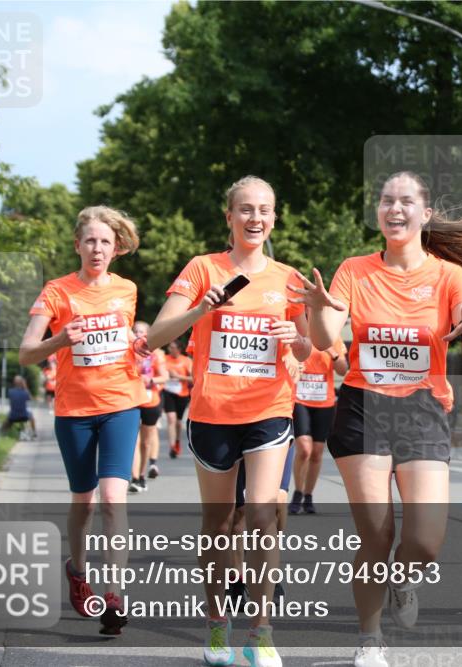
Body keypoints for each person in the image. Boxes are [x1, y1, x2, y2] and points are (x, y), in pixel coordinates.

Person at [295, 171, 462, 667]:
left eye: (405, 201)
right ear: (378, 211)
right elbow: (329, 338)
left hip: (422, 408)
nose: (395, 209)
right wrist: (320, 310)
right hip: (363, 406)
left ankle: (403, 576)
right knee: (375, 534)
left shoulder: (449, 276)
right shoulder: (353, 270)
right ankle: (370, 640)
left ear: (425, 213)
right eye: (387, 201)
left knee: (424, 539)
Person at [147, 175, 311, 667]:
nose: (254, 218)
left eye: (264, 209)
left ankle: (260, 632)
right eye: (245, 209)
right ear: (229, 217)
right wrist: (201, 309)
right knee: (219, 525)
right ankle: (217, 627)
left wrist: (294, 340)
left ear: (274, 217)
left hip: (269, 409)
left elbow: (307, 349)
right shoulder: (203, 269)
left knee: (262, 516)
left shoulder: (289, 278)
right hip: (214, 412)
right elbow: (156, 335)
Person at [18, 205, 148, 635]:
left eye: (105, 242)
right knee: (84, 501)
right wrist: (60, 339)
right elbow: (26, 352)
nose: (97, 248)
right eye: (90, 241)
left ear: (116, 249)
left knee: (113, 498)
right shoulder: (56, 291)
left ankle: (114, 594)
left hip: (120, 404)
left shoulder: (127, 290)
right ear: (77, 245)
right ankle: (77, 569)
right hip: (74, 410)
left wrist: (140, 345)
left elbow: (126, 337)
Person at [288, 319, 348, 515]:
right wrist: (295, 365)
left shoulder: (333, 337)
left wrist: (333, 352)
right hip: (300, 399)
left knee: (317, 451)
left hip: (324, 401)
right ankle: (297, 491)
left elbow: (342, 369)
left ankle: (308, 495)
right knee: (304, 448)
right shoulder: (297, 333)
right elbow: (285, 359)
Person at [129, 320, 167, 492]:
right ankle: (135, 478)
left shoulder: (156, 353)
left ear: (148, 334)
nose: (138, 334)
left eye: (141, 332)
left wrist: (150, 380)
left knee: (145, 443)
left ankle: (142, 474)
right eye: (135, 331)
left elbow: (164, 377)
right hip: (130, 401)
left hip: (151, 400)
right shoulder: (126, 352)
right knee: (133, 442)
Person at [162, 339, 193, 461]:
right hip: (168, 392)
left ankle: (177, 440)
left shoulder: (186, 361)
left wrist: (178, 377)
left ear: (179, 349)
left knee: (179, 422)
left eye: (172, 347)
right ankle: (172, 447)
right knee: (171, 418)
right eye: (169, 347)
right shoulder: (164, 358)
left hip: (182, 393)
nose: (170, 349)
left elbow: (193, 378)